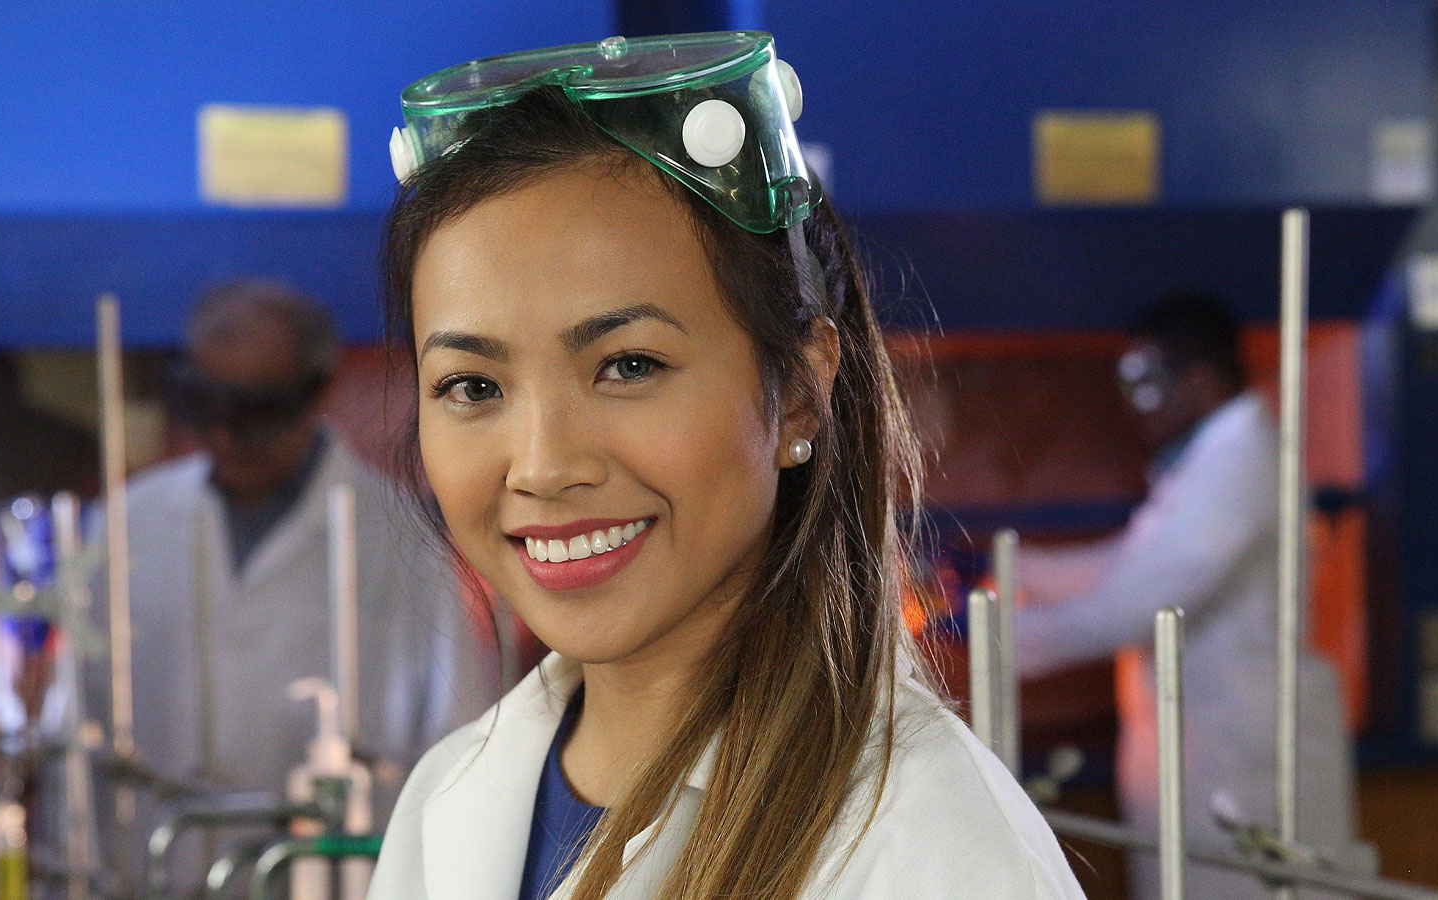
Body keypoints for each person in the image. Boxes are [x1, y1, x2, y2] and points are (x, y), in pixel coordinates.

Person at [369, 33, 1086, 900]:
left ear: (796, 393)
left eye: (629, 365)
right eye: (473, 384)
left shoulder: (930, 851)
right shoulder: (449, 799)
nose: (544, 465)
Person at [1013, 292, 1357, 900]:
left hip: (1245, 769)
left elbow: (1140, 600)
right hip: (1210, 755)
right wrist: (1006, 567)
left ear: (1199, 383)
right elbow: (1127, 563)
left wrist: (975, 639)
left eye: (1146, 383)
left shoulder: (1242, 464)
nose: (1132, 407)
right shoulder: (1206, 462)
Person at [109, 279, 494, 803]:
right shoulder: (131, 521)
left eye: (255, 411)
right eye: (205, 404)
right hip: (158, 866)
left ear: (316, 392)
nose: (223, 434)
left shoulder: (402, 537)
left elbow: (459, 733)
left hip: (339, 868)